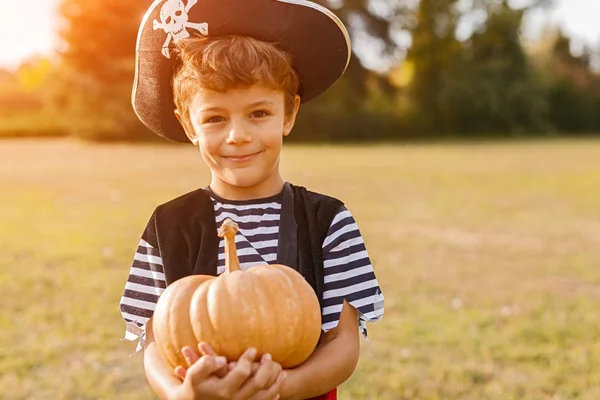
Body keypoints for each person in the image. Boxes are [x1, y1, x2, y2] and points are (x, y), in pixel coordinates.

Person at [119, 0, 385, 399]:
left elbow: (343, 345)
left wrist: (278, 387)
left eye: (259, 113)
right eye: (215, 118)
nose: (237, 135)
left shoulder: (328, 220)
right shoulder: (168, 226)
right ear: (188, 123)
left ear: (288, 115)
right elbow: (158, 345)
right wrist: (182, 395)